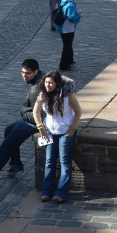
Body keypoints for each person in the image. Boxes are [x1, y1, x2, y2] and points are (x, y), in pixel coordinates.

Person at [34, 70, 81, 203]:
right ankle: (47, 191)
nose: (48, 85)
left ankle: (61, 192)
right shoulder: (43, 94)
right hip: (50, 131)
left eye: (51, 83)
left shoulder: (67, 95)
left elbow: (78, 112)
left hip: (66, 131)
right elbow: (36, 111)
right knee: (49, 161)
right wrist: (40, 127)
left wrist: (72, 129)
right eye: (46, 82)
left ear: (57, 83)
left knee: (65, 162)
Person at [56, 0, 80, 70]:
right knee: (67, 46)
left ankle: (70, 60)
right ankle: (63, 65)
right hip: (67, 29)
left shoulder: (64, 1)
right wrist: (79, 16)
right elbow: (72, 17)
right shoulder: (70, 4)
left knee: (68, 45)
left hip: (63, 28)